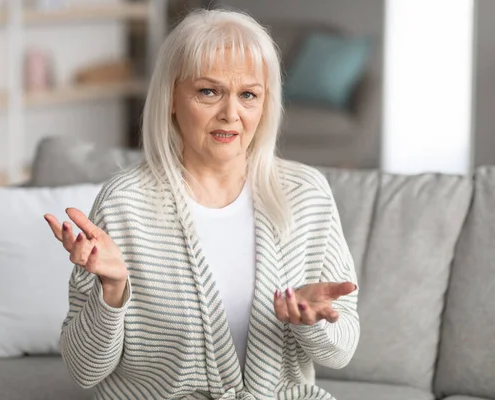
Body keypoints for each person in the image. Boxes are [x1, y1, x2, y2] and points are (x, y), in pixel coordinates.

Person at [44, 8, 359, 400]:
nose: (230, 114)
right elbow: (83, 370)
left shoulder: (306, 193)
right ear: (171, 98)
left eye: (248, 95)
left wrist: (311, 322)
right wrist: (112, 291)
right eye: (208, 92)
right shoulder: (124, 203)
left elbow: (343, 350)